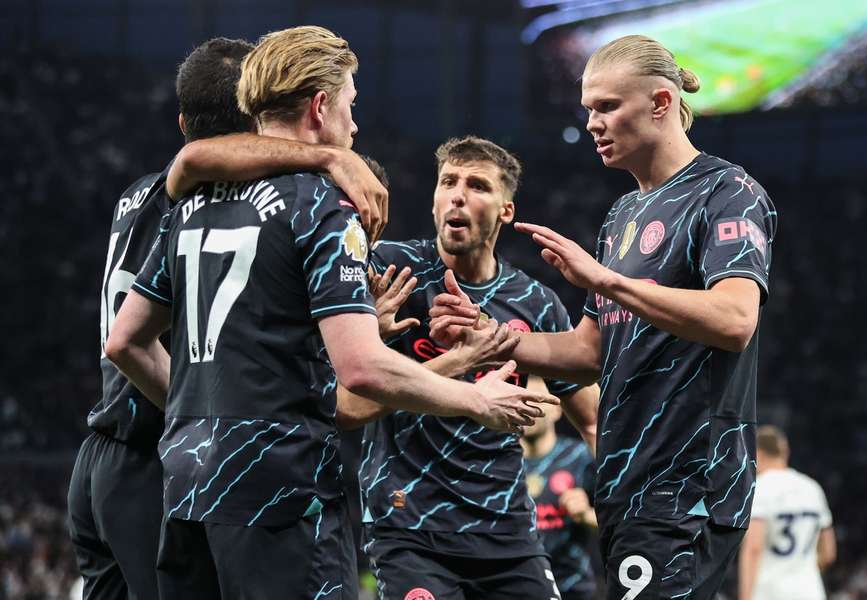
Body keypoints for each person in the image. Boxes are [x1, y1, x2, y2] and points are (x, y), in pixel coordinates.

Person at [105, 26, 555, 600]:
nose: (355, 123)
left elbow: (125, 343)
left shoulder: (192, 202)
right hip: (279, 496)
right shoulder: (319, 204)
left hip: (187, 489)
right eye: (350, 103)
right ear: (320, 106)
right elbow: (363, 370)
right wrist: (478, 398)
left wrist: (205, 417)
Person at [429, 34, 777, 599]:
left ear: (661, 103)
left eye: (607, 107)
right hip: (626, 484)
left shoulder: (727, 191)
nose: (592, 122)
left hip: (685, 484)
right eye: (589, 107)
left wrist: (607, 280)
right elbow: (590, 353)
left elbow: (736, 319)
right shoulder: (623, 214)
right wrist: (492, 336)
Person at [67, 36, 386, 600]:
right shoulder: (214, 195)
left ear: (182, 118)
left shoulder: (139, 195)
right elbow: (195, 158)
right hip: (167, 451)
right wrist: (328, 155)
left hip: (103, 455)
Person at [336, 135, 600, 600]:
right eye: (448, 182)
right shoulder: (389, 273)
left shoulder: (535, 303)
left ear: (506, 211)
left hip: (508, 531)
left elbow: (595, 420)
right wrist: (375, 333)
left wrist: (630, 510)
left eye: (477, 185)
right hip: (409, 527)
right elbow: (347, 403)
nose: (458, 194)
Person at [738, 425, 836, 600]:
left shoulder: (760, 488)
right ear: (785, 452)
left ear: (757, 453)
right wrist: (801, 569)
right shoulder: (812, 488)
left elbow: (754, 548)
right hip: (810, 591)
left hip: (770, 592)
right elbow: (828, 553)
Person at [522, 401, 598, 600]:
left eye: (536, 402)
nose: (530, 410)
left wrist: (586, 515)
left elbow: (618, 524)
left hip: (573, 587)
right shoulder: (503, 465)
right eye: (522, 402)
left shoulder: (581, 456)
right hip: (519, 588)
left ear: (557, 409)